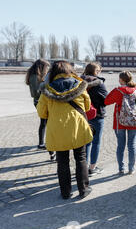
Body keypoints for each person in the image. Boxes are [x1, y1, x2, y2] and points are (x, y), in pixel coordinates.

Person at [37, 61, 93, 200]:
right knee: (81, 158)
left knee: (62, 161)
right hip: (77, 128)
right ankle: (83, 189)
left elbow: (41, 113)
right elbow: (87, 106)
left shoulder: (47, 90)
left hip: (57, 130)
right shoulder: (80, 86)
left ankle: (65, 192)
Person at [105, 71, 136, 175]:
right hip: (133, 120)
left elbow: (106, 101)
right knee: (131, 145)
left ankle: (121, 168)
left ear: (121, 79)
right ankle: (131, 168)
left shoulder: (118, 90)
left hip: (119, 121)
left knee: (120, 145)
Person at [81, 62, 108, 177]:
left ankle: (83, 167)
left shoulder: (79, 81)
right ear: (96, 71)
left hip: (82, 115)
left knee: (86, 142)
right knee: (95, 142)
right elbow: (106, 100)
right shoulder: (99, 83)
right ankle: (92, 168)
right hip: (97, 115)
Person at [25, 59, 55, 161]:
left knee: (44, 122)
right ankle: (43, 143)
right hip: (39, 101)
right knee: (45, 122)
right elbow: (35, 93)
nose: (47, 69)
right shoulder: (34, 76)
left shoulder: (38, 76)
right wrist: (46, 92)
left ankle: (42, 143)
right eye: (46, 67)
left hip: (42, 100)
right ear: (41, 67)